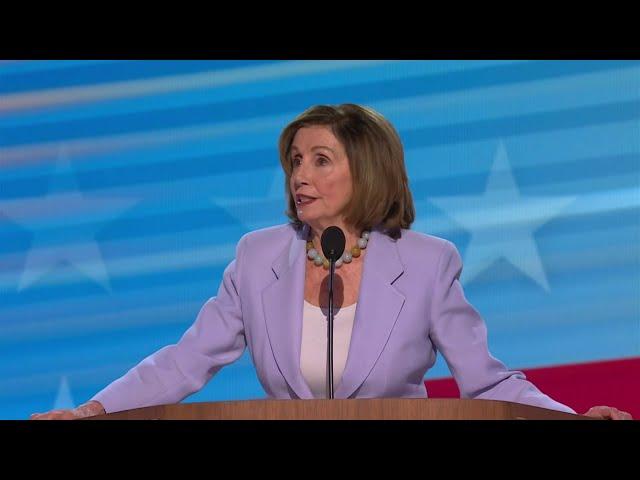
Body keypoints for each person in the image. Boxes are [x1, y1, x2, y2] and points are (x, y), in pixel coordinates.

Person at [31, 104, 632, 420]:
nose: (300, 175)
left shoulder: (428, 263)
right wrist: (93, 411)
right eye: (295, 160)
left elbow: (487, 379)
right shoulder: (257, 255)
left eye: (320, 159)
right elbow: (188, 360)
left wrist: (571, 419)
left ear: (367, 168)